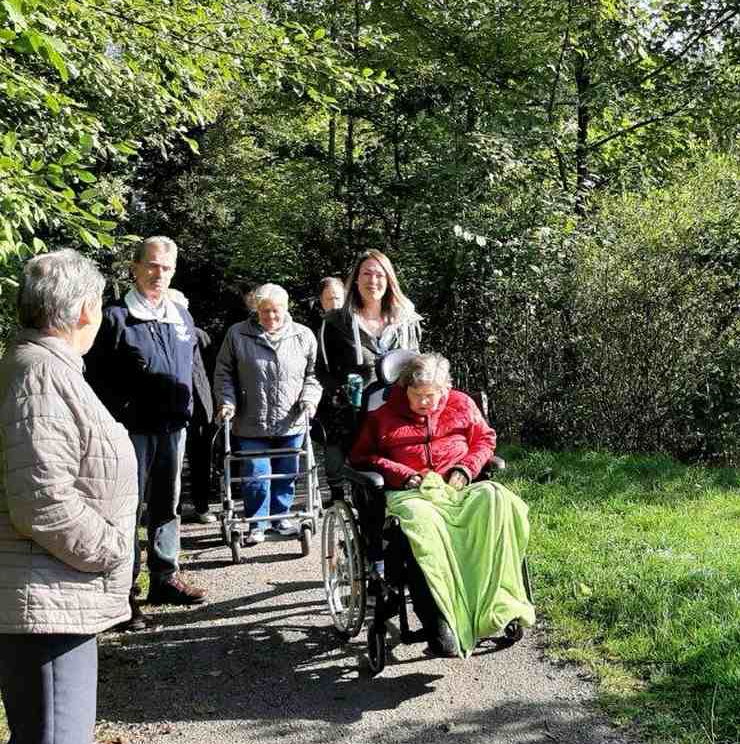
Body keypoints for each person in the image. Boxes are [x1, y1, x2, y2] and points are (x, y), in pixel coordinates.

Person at [0, 249, 138, 744]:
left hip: (54, 593)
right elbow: (40, 498)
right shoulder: (39, 375)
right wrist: (111, 549)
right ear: (84, 309)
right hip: (48, 603)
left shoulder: (43, 368)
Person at [349, 353, 535, 658]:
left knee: (498, 499)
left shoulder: (461, 404)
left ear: (445, 389)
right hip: (412, 493)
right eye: (418, 396)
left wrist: (465, 469)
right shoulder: (382, 415)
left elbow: (484, 441)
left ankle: (498, 604)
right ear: (403, 388)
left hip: (459, 488)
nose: (426, 403)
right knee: (423, 526)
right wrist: (402, 473)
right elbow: (362, 457)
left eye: (432, 396)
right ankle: (440, 622)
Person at [86, 235, 207, 628]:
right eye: (152, 265)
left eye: (166, 267)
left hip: (174, 427)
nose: (159, 274)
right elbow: (95, 379)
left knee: (166, 506)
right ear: (135, 268)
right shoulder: (115, 317)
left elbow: (193, 366)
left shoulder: (180, 315)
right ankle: (124, 595)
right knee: (126, 511)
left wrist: (201, 408)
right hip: (130, 432)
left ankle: (164, 578)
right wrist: (117, 418)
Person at [214, 283, 322, 545]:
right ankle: (257, 524)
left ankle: (281, 518)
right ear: (256, 310)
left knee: (287, 473)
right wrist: (226, 403)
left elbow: (314, 375)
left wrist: (309, 399)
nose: (271, 317)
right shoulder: (237, 334)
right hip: (251, 420)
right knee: (256, 474)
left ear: (286, 308)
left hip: (292, 420)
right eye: (264, 311)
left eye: (275, 311)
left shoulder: (303, 335)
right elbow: (223, 372)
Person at [318, 251, 421, 499]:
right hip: (356, 416)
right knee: (367, 484)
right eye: (366, 273)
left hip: (399, 413)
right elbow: (321, 370)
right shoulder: (335, 321)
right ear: (355, 279)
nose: (372, 280)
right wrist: (340, 392)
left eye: (379, 274)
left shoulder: (405, 320)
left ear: (389, 280)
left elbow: (418, 364)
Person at [168, 290, 218, 525]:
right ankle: (171, 510)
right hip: (169, 408)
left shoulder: (200, 336)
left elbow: (212, 371)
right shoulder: (160, 336)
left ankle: (201, 506)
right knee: (171, 462)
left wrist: (215, 405)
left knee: (201, 460)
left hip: (200, 407)